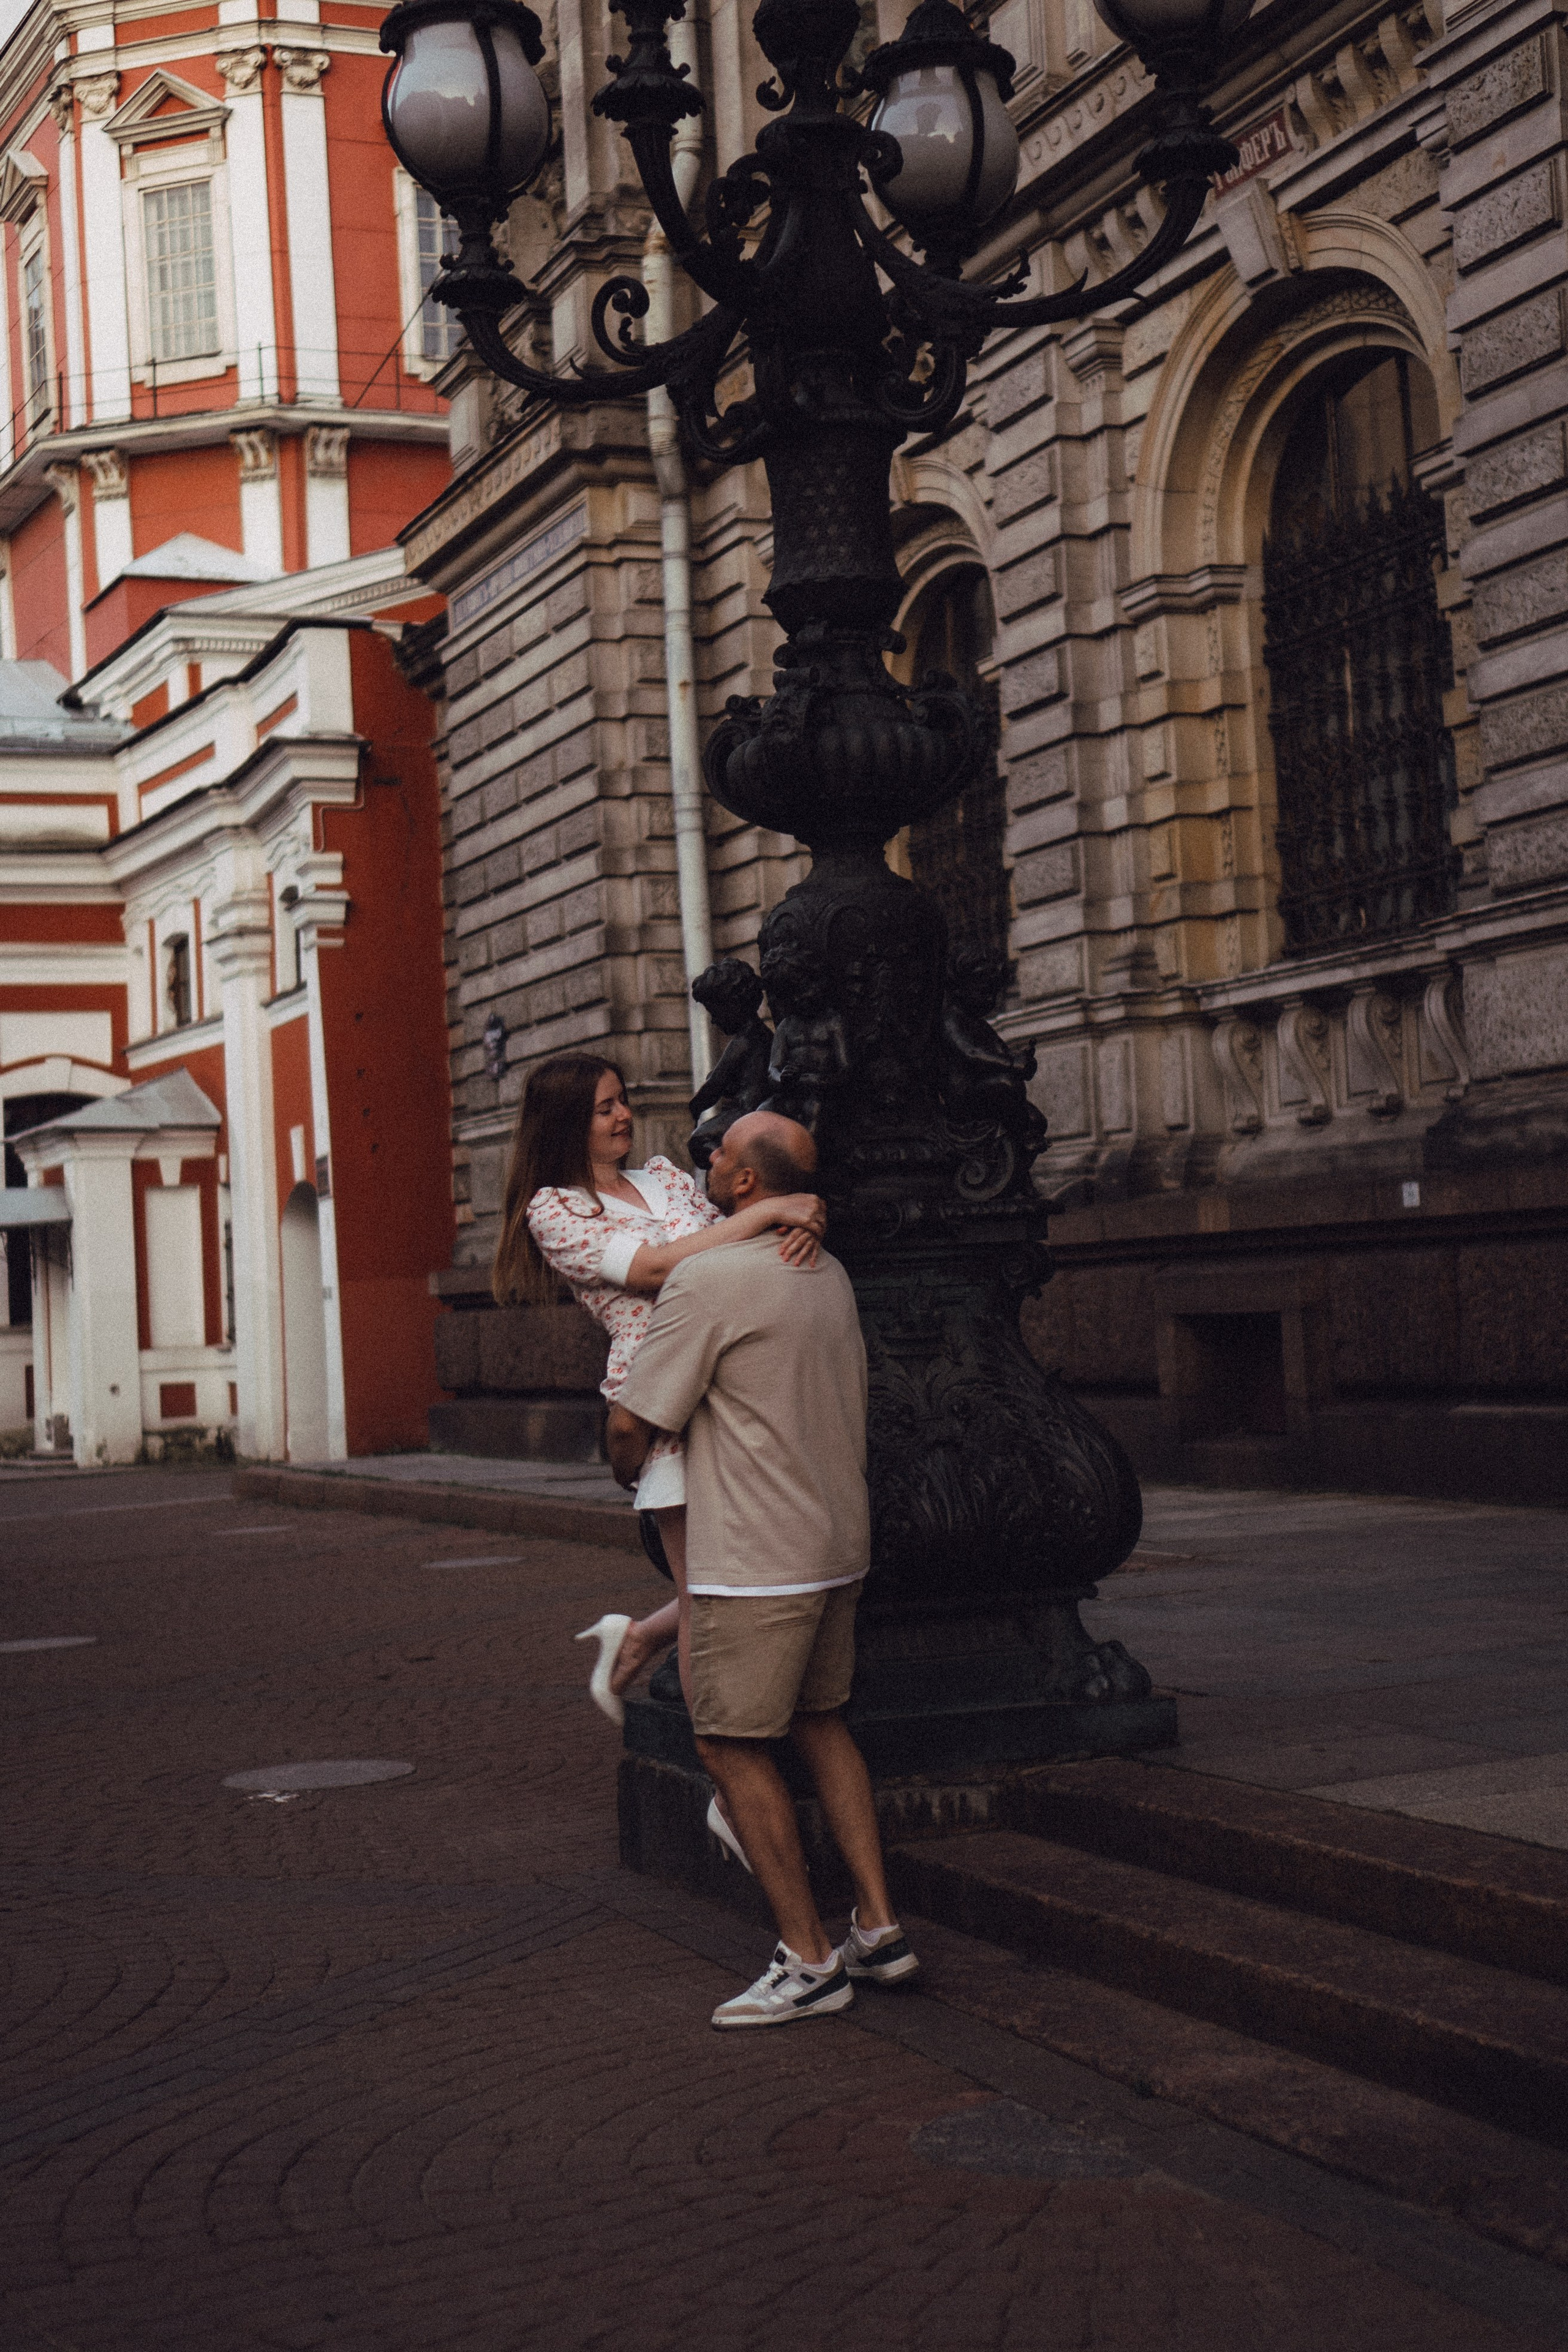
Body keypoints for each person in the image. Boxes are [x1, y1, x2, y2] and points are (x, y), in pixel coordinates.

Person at [608, 1109, 920, 2029]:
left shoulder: (708, 1281)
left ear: (746, 1185)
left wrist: (628, 1465)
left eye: (721, 1152)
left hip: (754, 1559)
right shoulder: (829, 1273)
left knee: (729, 1744)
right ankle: (881, 1928)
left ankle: (809, 1959)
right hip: (834, 1546)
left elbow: (636, 1421)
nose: (706, 1157)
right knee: (824, 1724)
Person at [491, 1054, 826, 1738]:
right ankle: (725, 1779)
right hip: (662, 1396)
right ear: (564, 1124)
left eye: (623, 1101)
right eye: (605, 1108)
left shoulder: (666, 1178)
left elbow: (730, 1247)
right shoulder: (554, 1211)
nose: (624, 1116)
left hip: (736, 1381)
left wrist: (793, 1221)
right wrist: (771, 1213)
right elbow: (652, 1269)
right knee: (707, 1599)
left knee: (759, 1564)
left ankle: (639, 1639)